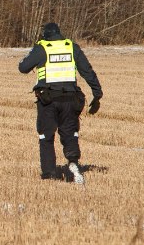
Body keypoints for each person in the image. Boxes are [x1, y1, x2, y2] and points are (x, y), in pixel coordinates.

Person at [18, 22, 103, 184]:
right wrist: (97, 94)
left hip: (48, 100)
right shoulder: (71, 46)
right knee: (70, 133)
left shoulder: (43, 47)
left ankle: (49, 174)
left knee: (46, 136)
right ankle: (73, 162)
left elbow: (23, 67)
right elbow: (87, 71)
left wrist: (34, 51)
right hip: (71, 99)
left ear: (45, 35)